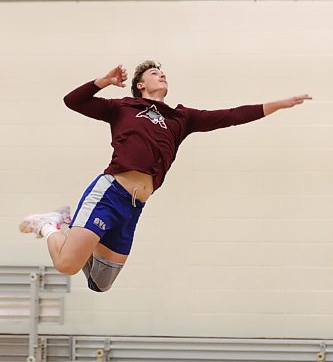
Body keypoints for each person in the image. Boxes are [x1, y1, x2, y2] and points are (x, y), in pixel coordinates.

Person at [19, 61, 311, 292]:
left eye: (163, 73)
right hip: (110, 193)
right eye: (155, 73)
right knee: (68, 265)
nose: (162, 76)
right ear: (140, 84)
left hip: (134, 206)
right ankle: (51, 225)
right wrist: (104, 82)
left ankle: (77, 231)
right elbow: (73, 100)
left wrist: (279, 104)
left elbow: (232, 115)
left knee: (100, 283)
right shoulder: (121, 107)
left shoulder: (181, 118)